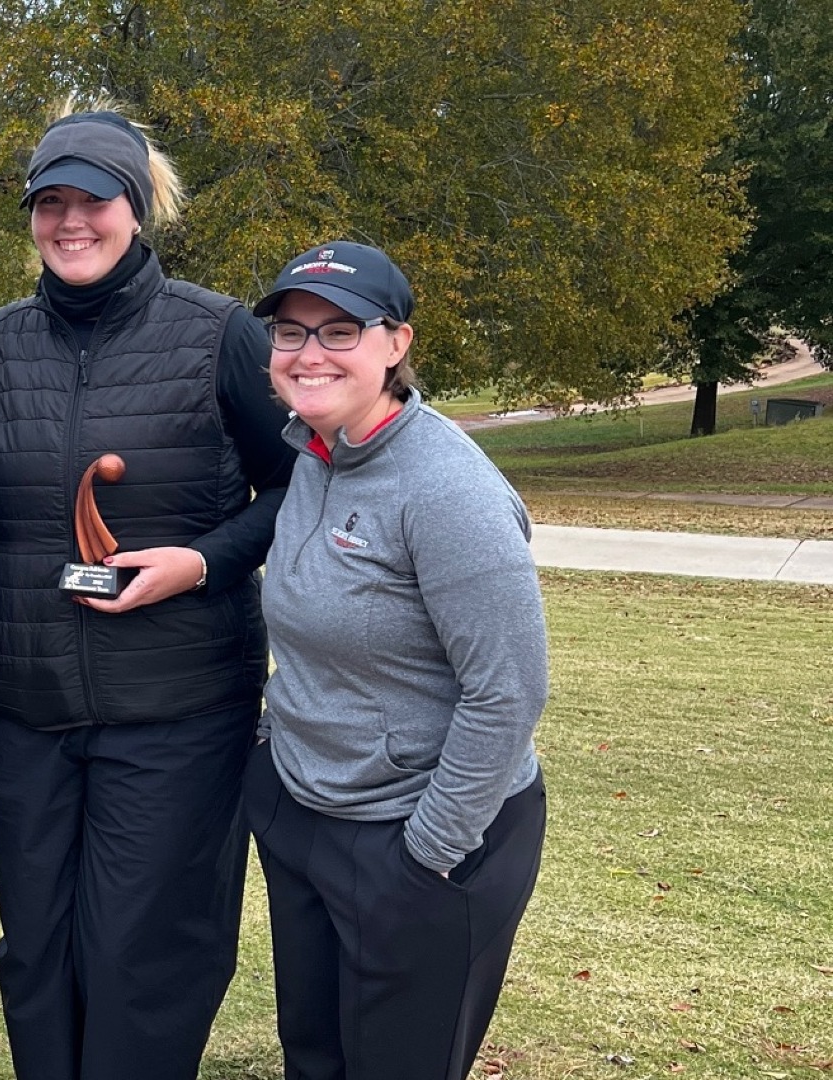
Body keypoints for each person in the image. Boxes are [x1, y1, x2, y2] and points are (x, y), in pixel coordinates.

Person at [0, 103, 296, 1080]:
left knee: (140, 956)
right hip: (26, 711)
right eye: (49, 202)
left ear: (137, 209)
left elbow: (297, 486)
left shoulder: (219, 333)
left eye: (93, 201)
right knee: (35, 954)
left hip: (175, 710)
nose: (70, 221)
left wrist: (197, 561)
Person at [246, 241, 548, 1080]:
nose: (308, 354)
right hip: (306, 811)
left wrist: (428, 853)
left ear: (396, 344)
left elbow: (509, 691)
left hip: (415, 838)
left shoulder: (446, 489)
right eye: (290, 332)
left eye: (339, 331)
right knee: (314, 1054)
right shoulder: (315, 452)